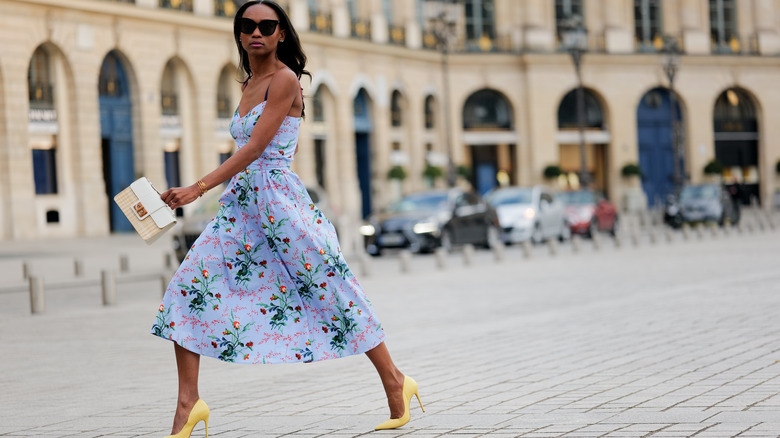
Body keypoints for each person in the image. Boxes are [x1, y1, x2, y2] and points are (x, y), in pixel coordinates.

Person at [155, 2, 422, 436]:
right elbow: (263, 147)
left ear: (281, 33)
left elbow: (256, 148)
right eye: (248, 25)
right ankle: (189, 404)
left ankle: (396, 381)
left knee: (332, 290)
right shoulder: (248, 83)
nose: (256, 32)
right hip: (242, 206)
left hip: (279, 207)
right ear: (239, 33)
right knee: (188, 288)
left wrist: (197, 189)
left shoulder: (284, 79)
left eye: (267, 26)